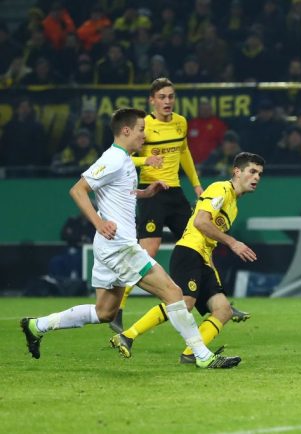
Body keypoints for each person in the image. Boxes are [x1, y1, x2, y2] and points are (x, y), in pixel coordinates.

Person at [20, 107, 239, 369]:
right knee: (174, 293)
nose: (144, 136)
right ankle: (203, 356)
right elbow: (78, 190)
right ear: (126, 130)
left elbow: (118, 192)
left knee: (104, 312)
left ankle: (36, 325)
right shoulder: (112, 158)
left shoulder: (124, 159)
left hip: (112, 246)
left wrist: (145, 194)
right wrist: (99, 223)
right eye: (141, 130)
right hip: (119, 245)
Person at [111, 78, 249, 332]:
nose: (167, 101)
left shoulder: (180, 122)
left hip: (175, 193)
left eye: (171, 97)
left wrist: (196, 185)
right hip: (153, 194)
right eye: (162, 97)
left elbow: (184, 152)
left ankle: (217, 302)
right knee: (147, 254)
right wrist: (146, 162)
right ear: (152, 100)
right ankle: (118, 310)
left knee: (201, 244)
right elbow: (124, 157)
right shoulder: (144, 126)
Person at [110, 152, 264, 363]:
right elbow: (201, 222)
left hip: (202, 258)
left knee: (223, 310)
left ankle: (191, 354)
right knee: (184, 303)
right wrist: (232, 242)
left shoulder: (234, 205)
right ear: (237, 172)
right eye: (252, 171)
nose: (256, 178)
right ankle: (127, 336)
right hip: (189, 252)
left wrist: (215, 278)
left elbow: (209, 238)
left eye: (260, 174)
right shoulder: (221, 189)